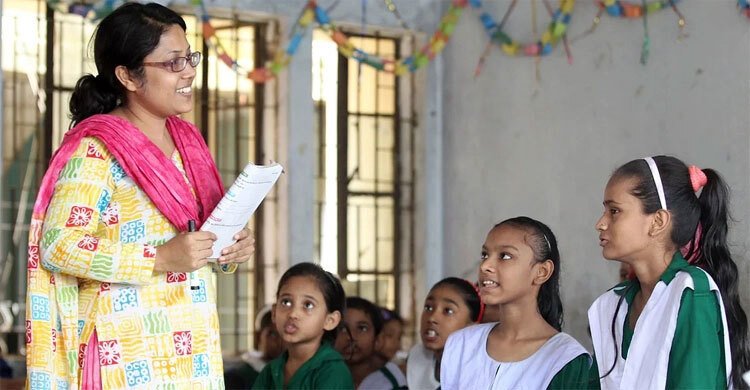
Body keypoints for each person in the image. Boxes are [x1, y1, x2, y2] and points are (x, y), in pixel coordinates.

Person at [24, 3, 255, 388]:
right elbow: (58, 244)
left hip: (190, 346)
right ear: (128, 76)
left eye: (190, 58)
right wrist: (160, 257)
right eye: (173, 63)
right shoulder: (98, 149)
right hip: (124, 351)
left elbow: (200, 236)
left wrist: (230, 249)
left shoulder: (188, 144)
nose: (190, 72)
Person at [589, 156, 750, 388]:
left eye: (614, 211)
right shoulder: (610, 305)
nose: (600, 223)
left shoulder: (690, 293)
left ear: (658, 221)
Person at [440, 217, 591, 389]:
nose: (485, 266)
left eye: (505, 256)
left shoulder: (565, 358)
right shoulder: (461, 344)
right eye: (484, 255)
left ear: (542, 272)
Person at [252, 262, 353, 389]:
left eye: (308, 305)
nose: (293, 314)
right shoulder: (271, 371)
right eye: (286, 302)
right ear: (274, 313)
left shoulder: (333, 372)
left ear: (330, 320)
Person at [406, 277, 482, 390]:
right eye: (428, 307)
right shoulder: (418, 356)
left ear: (472, 326)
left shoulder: (482, 371)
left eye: (448, 311)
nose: (432, 318)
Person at [335, 297, 407, 389]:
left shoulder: (393, 383)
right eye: (342, 328)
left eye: (362, 328)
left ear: (378, 340)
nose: (351, 336)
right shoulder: (320, 378)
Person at [224, 305, 282, 388]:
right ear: (258, 336)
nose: (280, 341)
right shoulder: (237, 377)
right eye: (272, 334)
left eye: (284, 335)